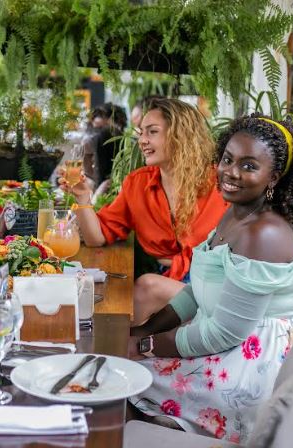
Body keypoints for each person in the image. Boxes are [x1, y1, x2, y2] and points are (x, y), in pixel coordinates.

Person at [126, 114, 293, 443]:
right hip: (228, 343)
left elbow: (225, 333)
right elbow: (197, 291)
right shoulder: (236, 213)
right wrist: (145, 330)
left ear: (273, 177)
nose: (231, 172)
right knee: (122, 371)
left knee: (125, 380)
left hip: (250, 368)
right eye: (228, 160)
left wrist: (145, 347)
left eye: (248, 166)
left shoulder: (263, 234)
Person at [62, 97, 228, 324]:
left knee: (146, 287)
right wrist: (82, 198)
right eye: (141, 133)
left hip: (217, 287)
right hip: (170, 285)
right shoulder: (138, 184)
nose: (142, 140)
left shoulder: (220, 183)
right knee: (129, 296)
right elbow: (96, 238)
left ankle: (126, 344)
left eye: (152, 132)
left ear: (181, 135)